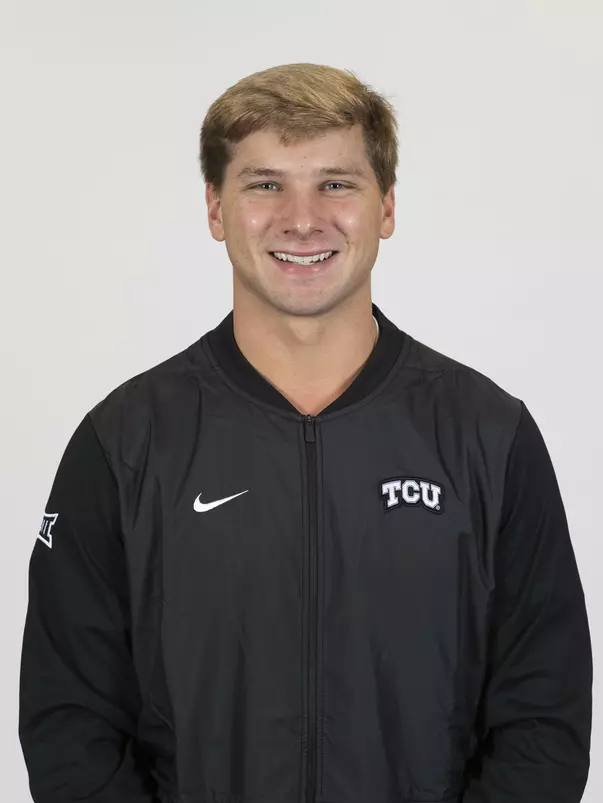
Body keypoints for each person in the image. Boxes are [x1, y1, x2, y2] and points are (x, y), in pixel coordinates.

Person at [19, 62, 592, 803]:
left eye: (336, 183)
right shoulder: (124, 442)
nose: (301, 218)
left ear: (385, 206)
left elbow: (544, 718)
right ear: (215, 209)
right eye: (264, 184)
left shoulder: (488, 434)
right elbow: (70, 723)